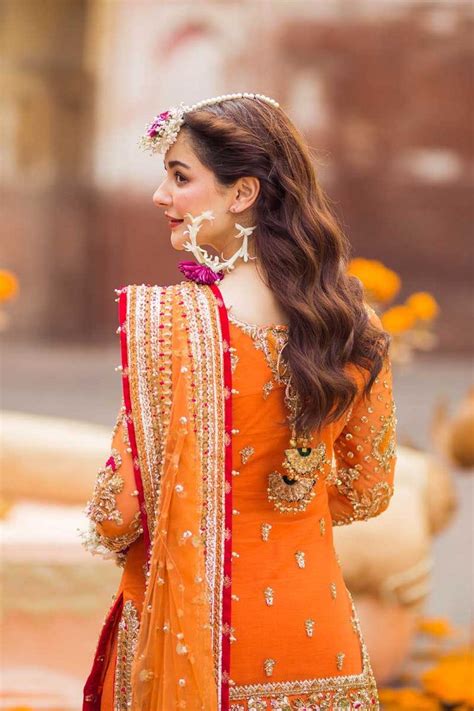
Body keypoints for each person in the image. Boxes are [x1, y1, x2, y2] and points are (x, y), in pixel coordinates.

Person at [81, 92, 397, 711]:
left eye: (180, 177)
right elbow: (368, 490)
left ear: (241, 193)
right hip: (319, 638)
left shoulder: (175, 326)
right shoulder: (353, 325)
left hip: (191, 647)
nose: (160, 197)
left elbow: (118, 511)